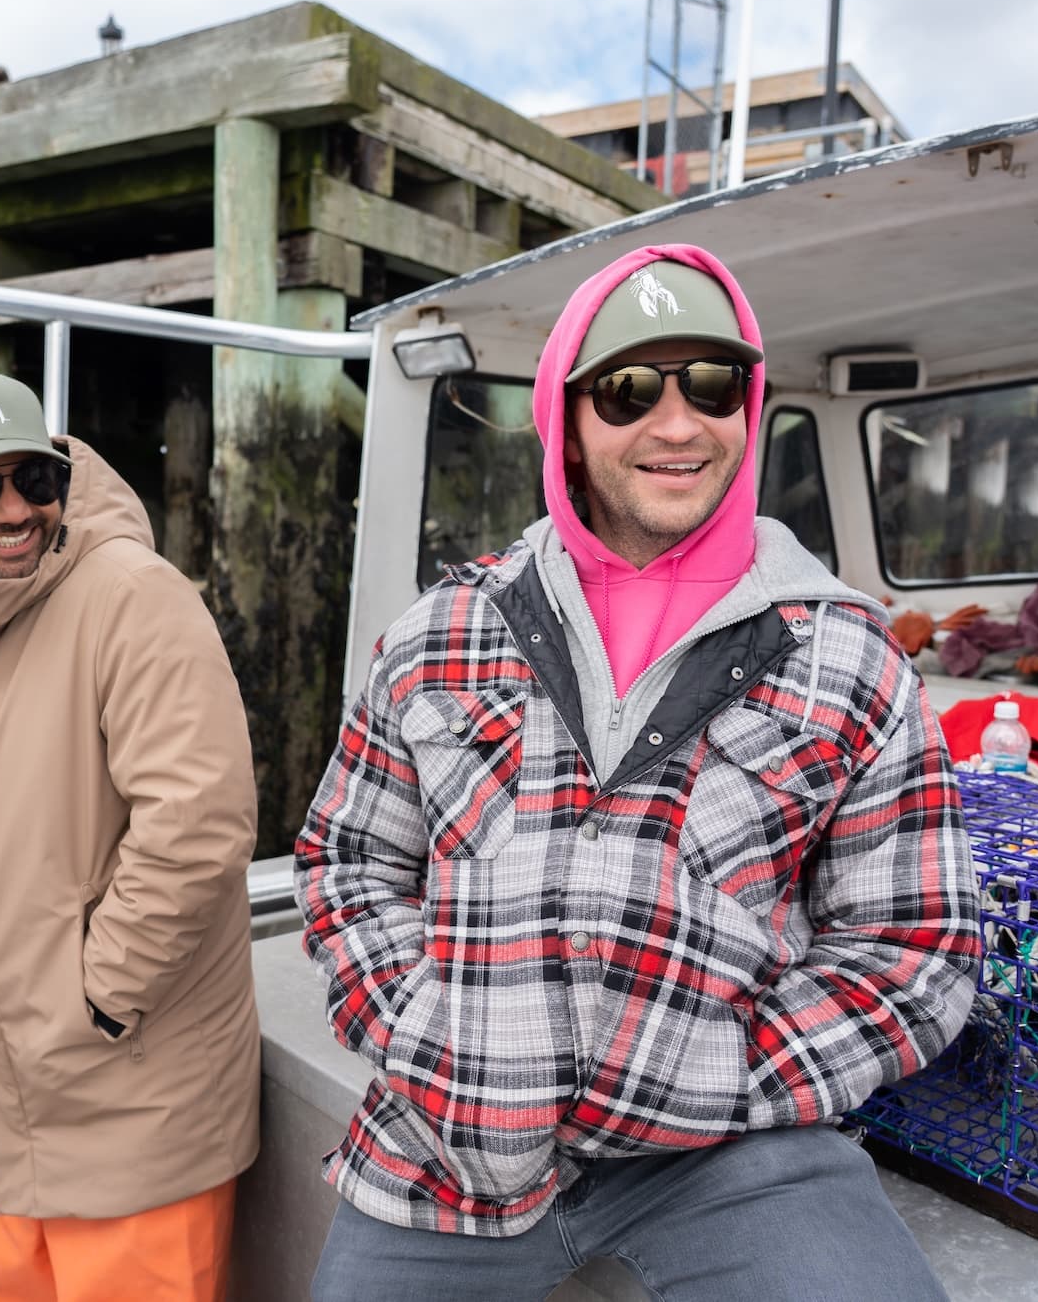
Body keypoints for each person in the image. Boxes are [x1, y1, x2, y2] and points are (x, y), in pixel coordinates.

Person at [296, 247, 984, 1300]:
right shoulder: (437, 633)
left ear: (746, 408)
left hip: (728, 1154)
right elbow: (349, 865)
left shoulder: (850, 658)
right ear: (565, 417)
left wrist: (730, 1079)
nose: (675, 424)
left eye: (709, 384)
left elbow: (914, 942)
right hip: (444, 1147)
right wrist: (425, 1034)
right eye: (627, 390)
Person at [0, 371, 260, 1301]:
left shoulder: (134, 596)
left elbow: (200, 818)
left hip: (137, 1106)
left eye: (35, 479)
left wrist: (100, 996)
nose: (14, 510)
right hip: (5, 1108)